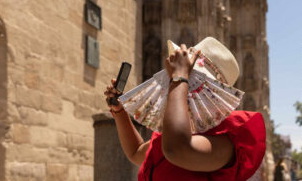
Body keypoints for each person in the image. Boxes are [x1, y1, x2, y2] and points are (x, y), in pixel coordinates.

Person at [104, 40, 266, 180]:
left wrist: (180, 78)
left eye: (187, 77)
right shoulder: (172, 132)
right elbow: (136, 152)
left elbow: (176, 149)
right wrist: (120, 112)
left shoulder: (223, 143)